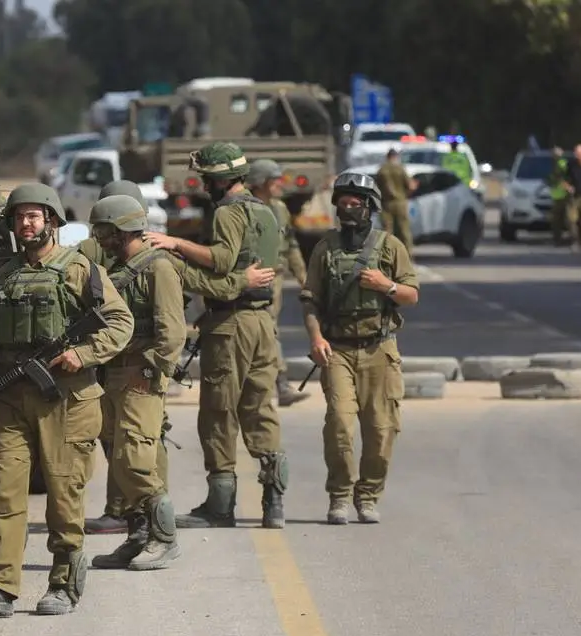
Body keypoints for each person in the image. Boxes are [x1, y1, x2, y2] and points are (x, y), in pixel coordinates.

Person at [0, 184, 133, 617]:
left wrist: (83, 354)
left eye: (34, 216)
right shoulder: (7, 274)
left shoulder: (78, 269)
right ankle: (0, 586)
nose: (26, 224)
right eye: (19, 217)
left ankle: (63, 584)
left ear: (52, 221)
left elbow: (120, 322)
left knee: (63, 495)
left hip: (66, 400)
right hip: (11, 398)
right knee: (5, 496)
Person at [145, 142, 288, 530]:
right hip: (262, 323)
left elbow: (222, 260)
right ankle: (274, 502)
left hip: (230, 325)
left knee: (219, 412)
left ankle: (221, 506)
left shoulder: (227, 211)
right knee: (260, 407)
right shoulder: (267, 210)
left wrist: (176, 246)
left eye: (207, 179)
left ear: (222, 179)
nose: (204, 185)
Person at [299, 172, 420, 525]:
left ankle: (367, 496)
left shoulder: (390, 246)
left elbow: (412, 295)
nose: (348, 209)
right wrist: (316, 338)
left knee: (382, 429)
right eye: (342, 203)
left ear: (370, 207)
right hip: (337, 350)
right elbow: (310, 300)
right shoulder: (325, 248)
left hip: (379, 349)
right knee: (339, 423)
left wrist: (386, 285)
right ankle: (339, 495)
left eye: (355, 203)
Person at [85, 195, 187, 571]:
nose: (99, 237)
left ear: (121, 229)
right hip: (113, 374)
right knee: (119, 460)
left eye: (103, 230)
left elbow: (172, 333)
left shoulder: (158, 268)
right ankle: (139, 535)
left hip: (140, 376)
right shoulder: (117, 269)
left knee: (137, 459)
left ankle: (165, 538)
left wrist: (150, 372)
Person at [247, 158, 310, 407]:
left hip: (275, 276)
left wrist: (304, 278)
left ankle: (279, 384)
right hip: (253, 277)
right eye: (274, 180)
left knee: (269, 328)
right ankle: (277, 384)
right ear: (260, 182)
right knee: (264, 330)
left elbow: (291, 244)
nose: (280, 185)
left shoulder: (280, 209)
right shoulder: (244, 209)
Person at [374, 149, 416, 255]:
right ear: (396, 157)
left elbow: (376, 188)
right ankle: (407, 256)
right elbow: (411, 186)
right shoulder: (400, 169)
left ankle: (387, 256)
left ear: (387, 157)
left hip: (386, 204)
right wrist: (406, 194)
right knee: (404, 230)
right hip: (400, 203)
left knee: (387, 232)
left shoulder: (381, 170)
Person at [547, 146, 571, 246]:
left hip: (563, 195)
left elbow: (563, 177)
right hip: (558, 195)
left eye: (554, 154)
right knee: (558, 219)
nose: (553, 156)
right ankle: (558, 239)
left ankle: (563, 239)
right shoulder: (556, 164)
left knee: (562, 219)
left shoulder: (561, 163)